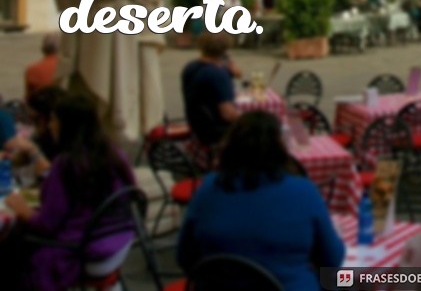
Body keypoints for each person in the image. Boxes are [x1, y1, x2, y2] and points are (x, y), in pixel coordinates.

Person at [177, 111, 345, 291]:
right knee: (358, 279)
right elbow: (332, 258)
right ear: (281, 150)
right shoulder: (303, 191)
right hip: (293, 284)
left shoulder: (208, 189)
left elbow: (185, 256)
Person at [3, 94, 137, 291]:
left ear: (67, 124)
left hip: (86, 249)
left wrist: (22, 209)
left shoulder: (67, 165)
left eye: (54, 120)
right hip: (121, 240)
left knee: (14, 245)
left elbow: (46, 225)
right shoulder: (114, 152)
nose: (50, 125)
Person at [181, 32, 240, 170]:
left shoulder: (191, 67)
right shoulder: (218, 75)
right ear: (225, 50)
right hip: (215, 131)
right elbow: (228, 114)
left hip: (197, 124)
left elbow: (237, 72)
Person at [23, 33, 60, 100]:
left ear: (43, 48)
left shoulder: (32, 70)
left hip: (42, 106)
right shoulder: (65, 68)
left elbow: (28, 98)